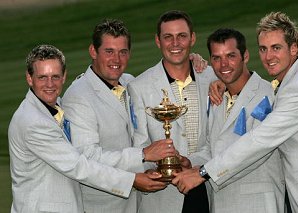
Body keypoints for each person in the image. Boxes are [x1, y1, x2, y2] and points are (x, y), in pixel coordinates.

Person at [172, 12, 298, 213]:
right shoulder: (288, 83)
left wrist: (203, 172)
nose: (269, 57)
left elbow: (260, 140)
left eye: (276, 48)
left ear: (294, 48)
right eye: (263, 49)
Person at [8, 44, 162, 213]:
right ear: (29, 78)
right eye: (42, 77)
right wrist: (132, 179)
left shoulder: (56, 106)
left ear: (64, 76)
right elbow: (78, 166)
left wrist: (188, 63)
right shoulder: (33, 122)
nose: (50, 84)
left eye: (55, 76)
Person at [62, 19, 178, 213]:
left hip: (136, 204)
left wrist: (196, 64)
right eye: (109, 51)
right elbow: (88, 157)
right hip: (101, 206)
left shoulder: (129, 81)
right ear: (93, 51)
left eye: (122, 52)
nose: (116, 59)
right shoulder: (78, 96)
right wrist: (143, 156)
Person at [127, 10, 216, 213]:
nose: (175, 43)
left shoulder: (213, 78)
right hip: (163, 199)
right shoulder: (139, 86)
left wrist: (191, 163)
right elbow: (139, 144)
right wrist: (159, 172)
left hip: (209, 192)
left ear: (192, 38)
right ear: (158, 41)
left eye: (182, 36)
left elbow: (218, 138)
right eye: (168, 37)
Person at [201, 28, 285, 213]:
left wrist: (201, 173)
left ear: (245, 56)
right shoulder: (216, 97)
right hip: (220, 203)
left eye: (231, 56)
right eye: (216, 58)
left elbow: (254, 152)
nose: (224, 64)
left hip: (258, 204)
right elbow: (211, 148)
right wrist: (185, 163)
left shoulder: (268, 94)